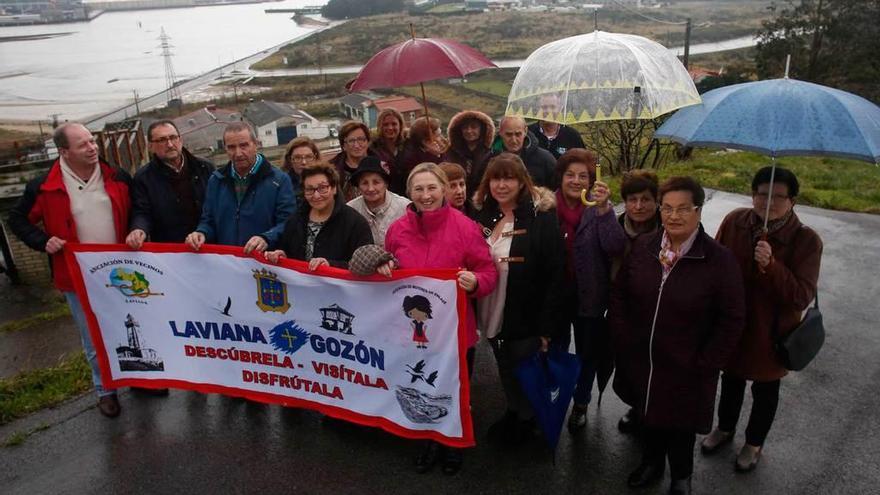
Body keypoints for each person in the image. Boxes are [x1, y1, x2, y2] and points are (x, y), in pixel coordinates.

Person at [608, 176, 745, 495]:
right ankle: (651, 463)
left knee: (680, 425)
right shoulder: (645, 246)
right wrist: (623, 335)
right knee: (647, 416)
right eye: (667, 208)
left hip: (688, 364)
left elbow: (732, 318)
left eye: (684, 208)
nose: (674, 216)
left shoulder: (719, 260)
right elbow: (619, 293)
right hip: (643, 356)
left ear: (699, 210)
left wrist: (708, 361)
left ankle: (681, 475)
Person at [370, 163, 497, 475]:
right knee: (420, 386)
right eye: (418, 189)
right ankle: (428, 438)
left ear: (444, 189)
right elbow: (390, 267)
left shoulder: (466, 227)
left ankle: (453, 443)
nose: (426, 195)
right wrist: (383, 267)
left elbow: (488, 271)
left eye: (432, 188)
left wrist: (475, 281)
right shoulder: (398, 229)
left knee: (455, 389)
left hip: (455, 332)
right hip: (413, 331)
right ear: (410, 193)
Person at [702, 166, 822, 472]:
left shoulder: (807, 240)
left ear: (793, 200)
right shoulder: (735, 222)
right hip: (733, 324)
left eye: (778, 197)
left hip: (770, 333)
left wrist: (772, 266)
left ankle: (754, 443)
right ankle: (725, 427)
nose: (768, 202)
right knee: (730, 379)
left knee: (765, 391)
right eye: (762, 194)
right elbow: (715, 263)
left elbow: (800, 296)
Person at [7, 123, 132, 418]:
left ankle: (138, 379)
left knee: (129, 327)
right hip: (76, 275)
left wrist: (138, 228)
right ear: (64, 152)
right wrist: (42, 240)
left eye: (92, 141)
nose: (92, 148)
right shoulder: (44, 186)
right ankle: (105, 390)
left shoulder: (117, 176)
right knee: (93, 336)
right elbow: (17, 219)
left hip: (121, 272)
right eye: (83, 145)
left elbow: (139, 209)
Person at [471, 153, 566, 446]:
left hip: (525, 313)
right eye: (495, 178)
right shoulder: (484, 215)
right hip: (490, 308)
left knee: (526, 368)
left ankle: (531, 420)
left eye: (508, 178)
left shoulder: (541, 218)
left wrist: (547, 327)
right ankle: (514, 410)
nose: (501, 185)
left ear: (522, 181)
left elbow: (555, 274)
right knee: (504, 364)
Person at [562, 149, 626, 432]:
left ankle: (581, 401)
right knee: (555, 349)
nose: (576, 181)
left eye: (583, 176)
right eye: (570, 175)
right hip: (556, 295)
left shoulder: (598, 208)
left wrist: (603, 210)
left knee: (588, 352)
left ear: (592, 179)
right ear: (560, 177)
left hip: (591, 295)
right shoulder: (546, 206)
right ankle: (554, 398)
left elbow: (615, 247)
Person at [185, 122, 295, 253]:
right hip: (230, 263)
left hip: (263, 265)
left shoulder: (279, 180)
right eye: (231, 147)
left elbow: (288, 223)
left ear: (256, 144)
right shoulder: (216, 180)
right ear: (225, 148)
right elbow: (208, 220)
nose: (238, 153)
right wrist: (201, 233)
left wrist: (266, 238)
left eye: (244, 145)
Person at [613, 169, 661, 434]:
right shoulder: (616, 227)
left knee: (653, 368)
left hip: (656, 313)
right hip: (623, 311)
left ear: (657, 201)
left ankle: (650, 412)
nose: (639, 206)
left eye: (645, 199)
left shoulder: (668, 229)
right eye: (632, 200)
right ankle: (635, 406)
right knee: (628, 367)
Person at [265, 162, 372, 270]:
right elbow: (287, 249)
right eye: (310, 189)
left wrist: (330, 265)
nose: (316, 195)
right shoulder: (295, 220)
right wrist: (282, 256)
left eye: (322, 188)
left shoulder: (355, 223)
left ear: (334, 188)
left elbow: (364, 264)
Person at [126, 119, 214, 250]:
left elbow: (216, 206)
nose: (170, 144)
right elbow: (142, 211)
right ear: (150, 147)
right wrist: (139, 229)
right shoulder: (143, 178)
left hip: (208, 246)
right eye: (162, 140)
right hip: (171, 255)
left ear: (181, 140)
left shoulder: (205, 168)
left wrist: (204, 231)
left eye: (173, 137)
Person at [345, 156, 409, 249]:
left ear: (386, 184)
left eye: (376, 182)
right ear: (358, 186)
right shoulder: (350, 210)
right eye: (365, 183)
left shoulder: (405, 207)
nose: (370, 188)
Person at [493, 116, 557, 189]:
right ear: (500, 132)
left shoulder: (545, 159)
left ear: (525, 131)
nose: (514, 140)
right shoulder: (491, 158)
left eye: (518, 134)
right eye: (509, 135)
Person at [393, 116, 448, 194]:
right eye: (438, 135)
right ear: (426, 141)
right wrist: (435, 156)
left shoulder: (433, 150)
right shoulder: (410, 159)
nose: (442, 138)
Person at [446, 110, 495, 194]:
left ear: (482, 129)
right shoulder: (451, 152)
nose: (469, 131)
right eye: (465, 127)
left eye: (474, 127)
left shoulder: (490, 154)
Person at [527, 94, 586, 159]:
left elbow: (584, 162)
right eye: (544, 107)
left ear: (560, 108)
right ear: (538, 109)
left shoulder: (572, 136)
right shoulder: (528, 134)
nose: (548, 111)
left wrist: (598, 167)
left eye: (552, 107)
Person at [331, 120, 373, 201]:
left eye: (361, 139)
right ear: (343, 146)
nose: (356, 145)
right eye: (351, 141)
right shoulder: (333, 170)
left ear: (367, 142)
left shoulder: (381, 164)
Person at [281, 136, 321, 201]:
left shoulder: (327, 179)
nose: (304, 162)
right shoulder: (282, 184)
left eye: (308, 157)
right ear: (289, 159)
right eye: (297, 158)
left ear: (315, 157)